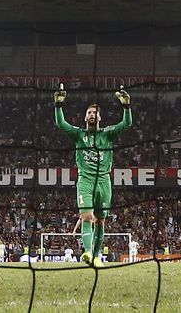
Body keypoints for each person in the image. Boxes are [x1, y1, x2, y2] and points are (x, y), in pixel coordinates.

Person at [55, 83, 132, 268]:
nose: (91, 115)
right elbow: (61, 124)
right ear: (85, 117)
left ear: (99, 117)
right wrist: (58, 105)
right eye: (89, 112)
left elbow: (126, 123)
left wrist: (126, 107)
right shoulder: (79, 135)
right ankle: (88, 252)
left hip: (104, 181)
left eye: (94, 113)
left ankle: (97, 256)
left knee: (101, 220)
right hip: (86, 181)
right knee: (87, 216)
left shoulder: (108, 134)